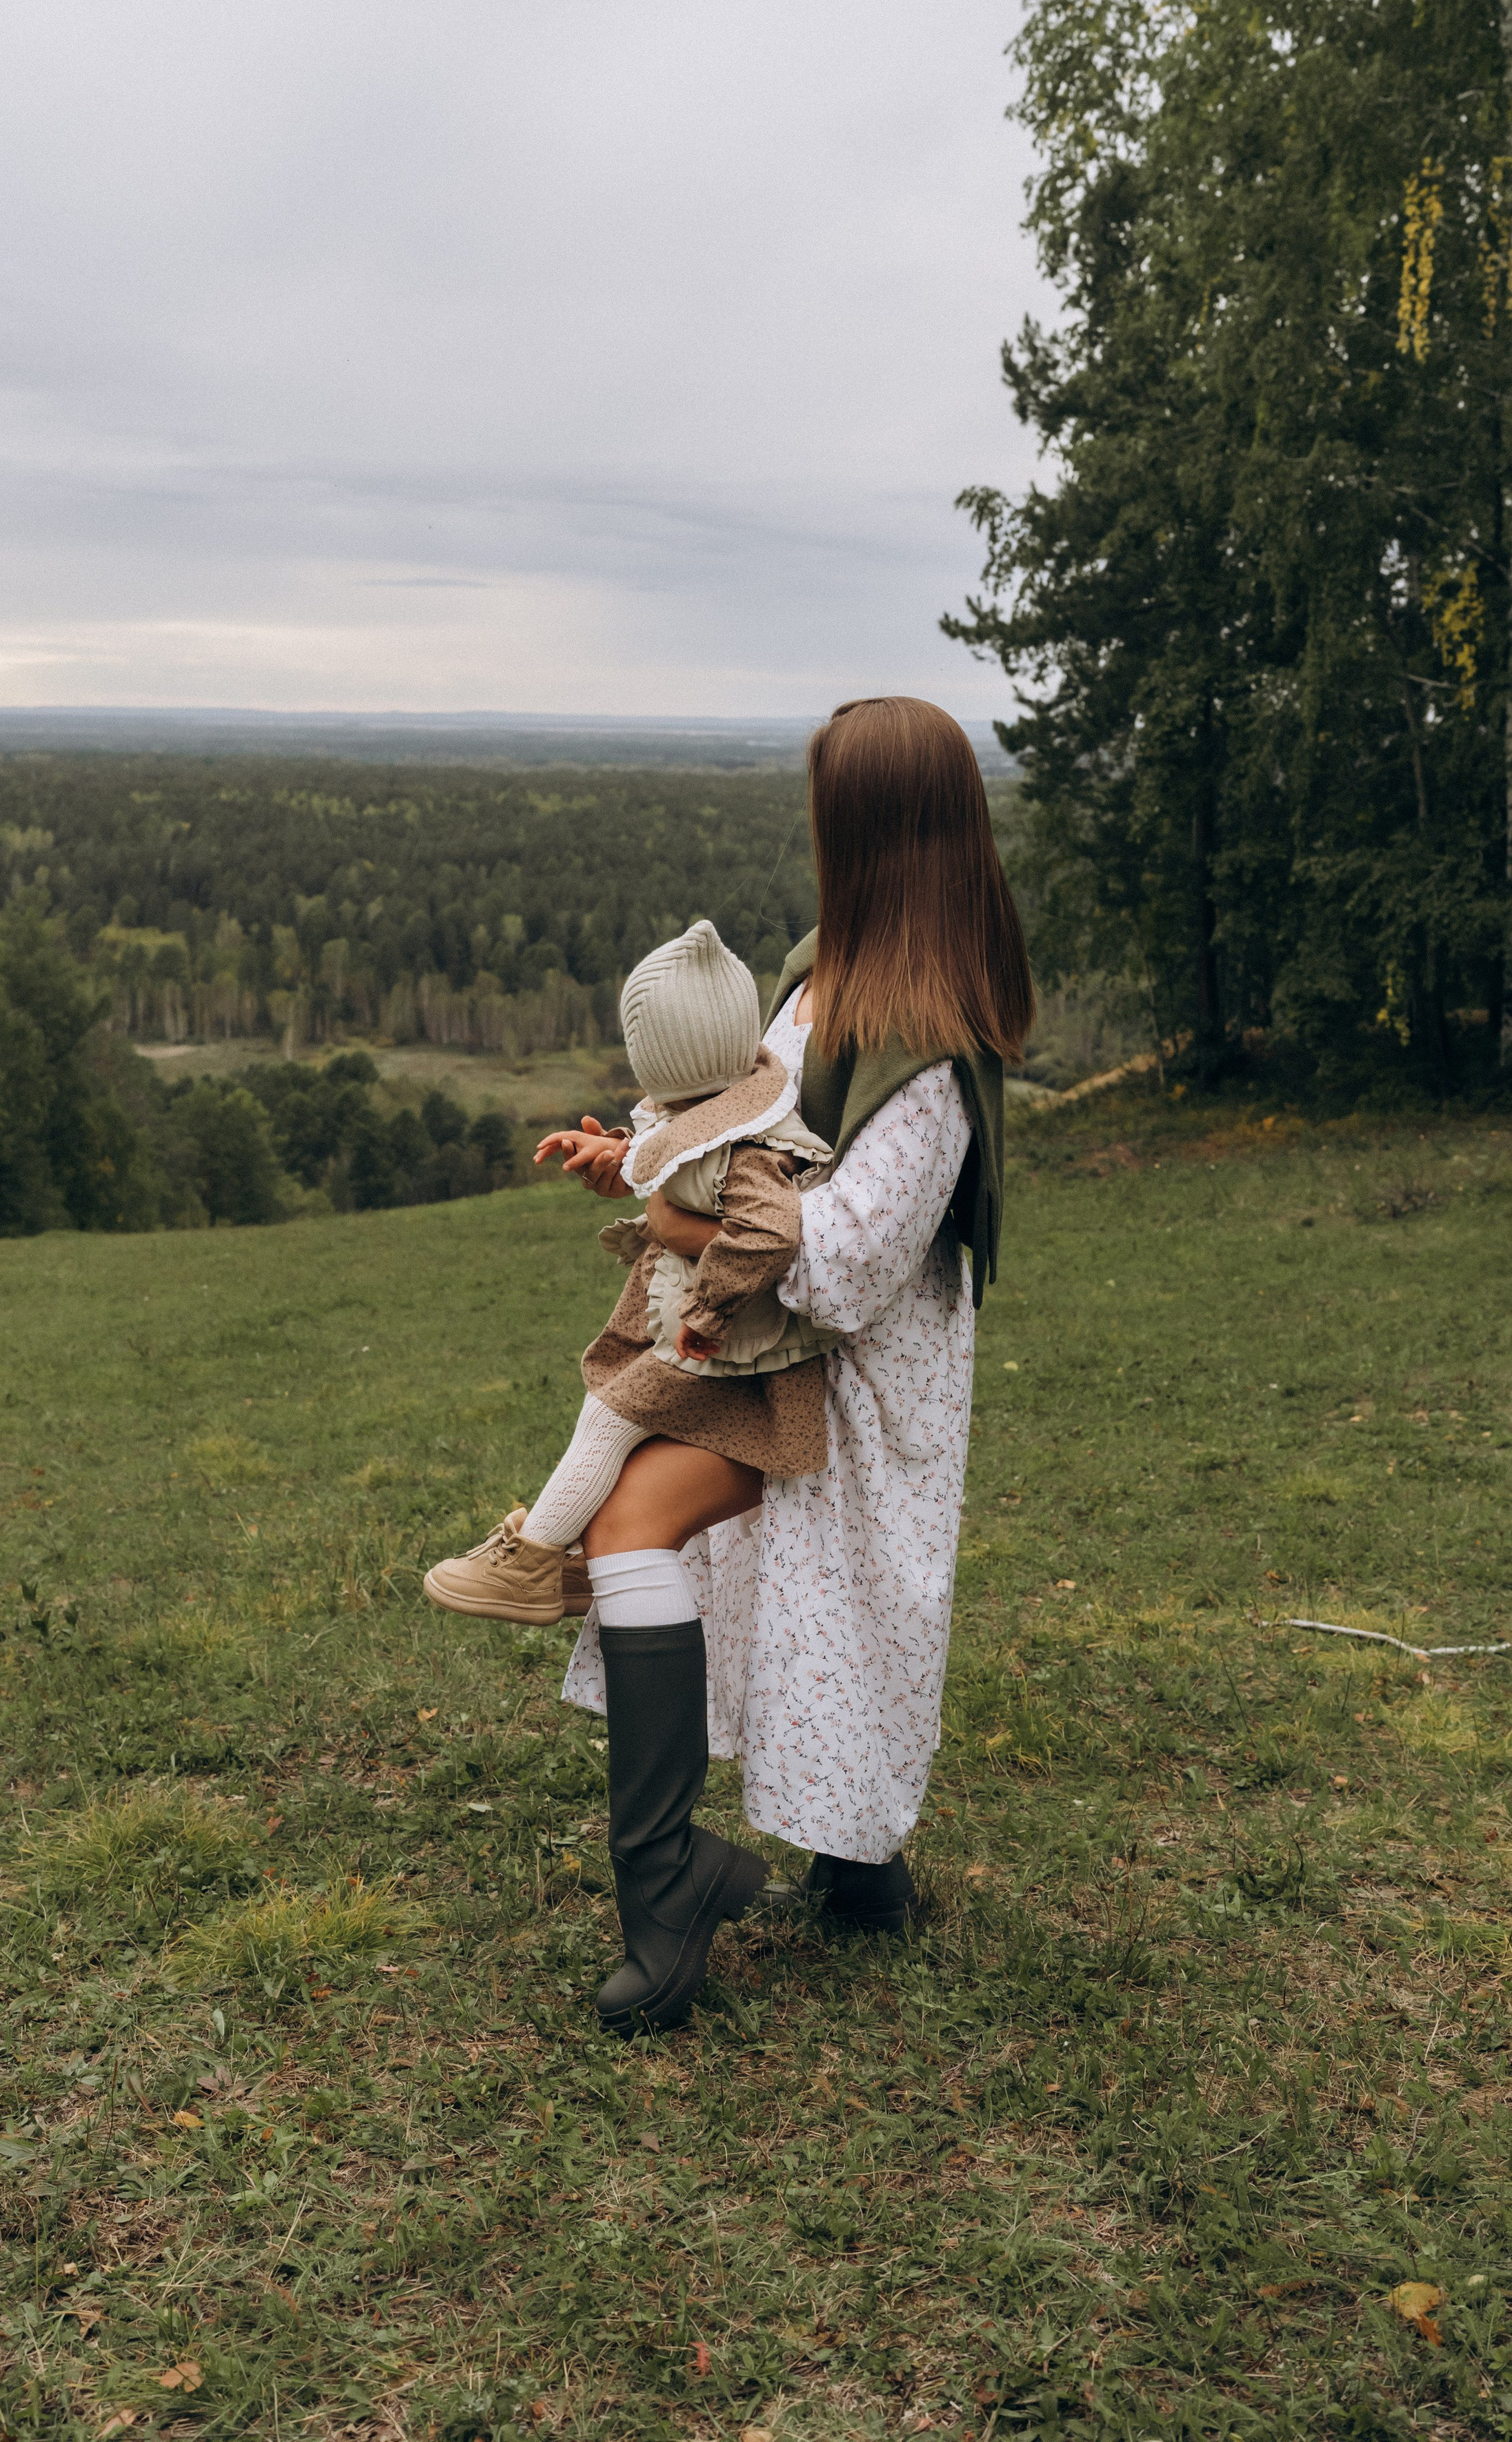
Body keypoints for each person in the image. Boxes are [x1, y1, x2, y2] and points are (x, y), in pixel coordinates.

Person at [559, 697, 1033, 2037]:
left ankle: (754, 1877)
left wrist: (670, 1215)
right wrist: (653, 1157)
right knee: (668, 1545)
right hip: (772, 1366)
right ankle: (742, 1875)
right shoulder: (820, 979)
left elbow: (839, 1263)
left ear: (872, 835)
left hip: (855, 1391)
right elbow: (738, 1132)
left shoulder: (931, 1053)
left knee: (813, 1601)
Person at [421, 917, 835, 1627]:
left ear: (666, 1060)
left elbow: (769, 1230)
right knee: (608, 1410)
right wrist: (613, 1150)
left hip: (731, 1338)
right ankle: (575, 1563)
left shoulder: (749, 1144)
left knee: (609, 1416)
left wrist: (709, 1312)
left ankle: (531, 1561)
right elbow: (670, 1143)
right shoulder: (722, 1093)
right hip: (705, 1329)